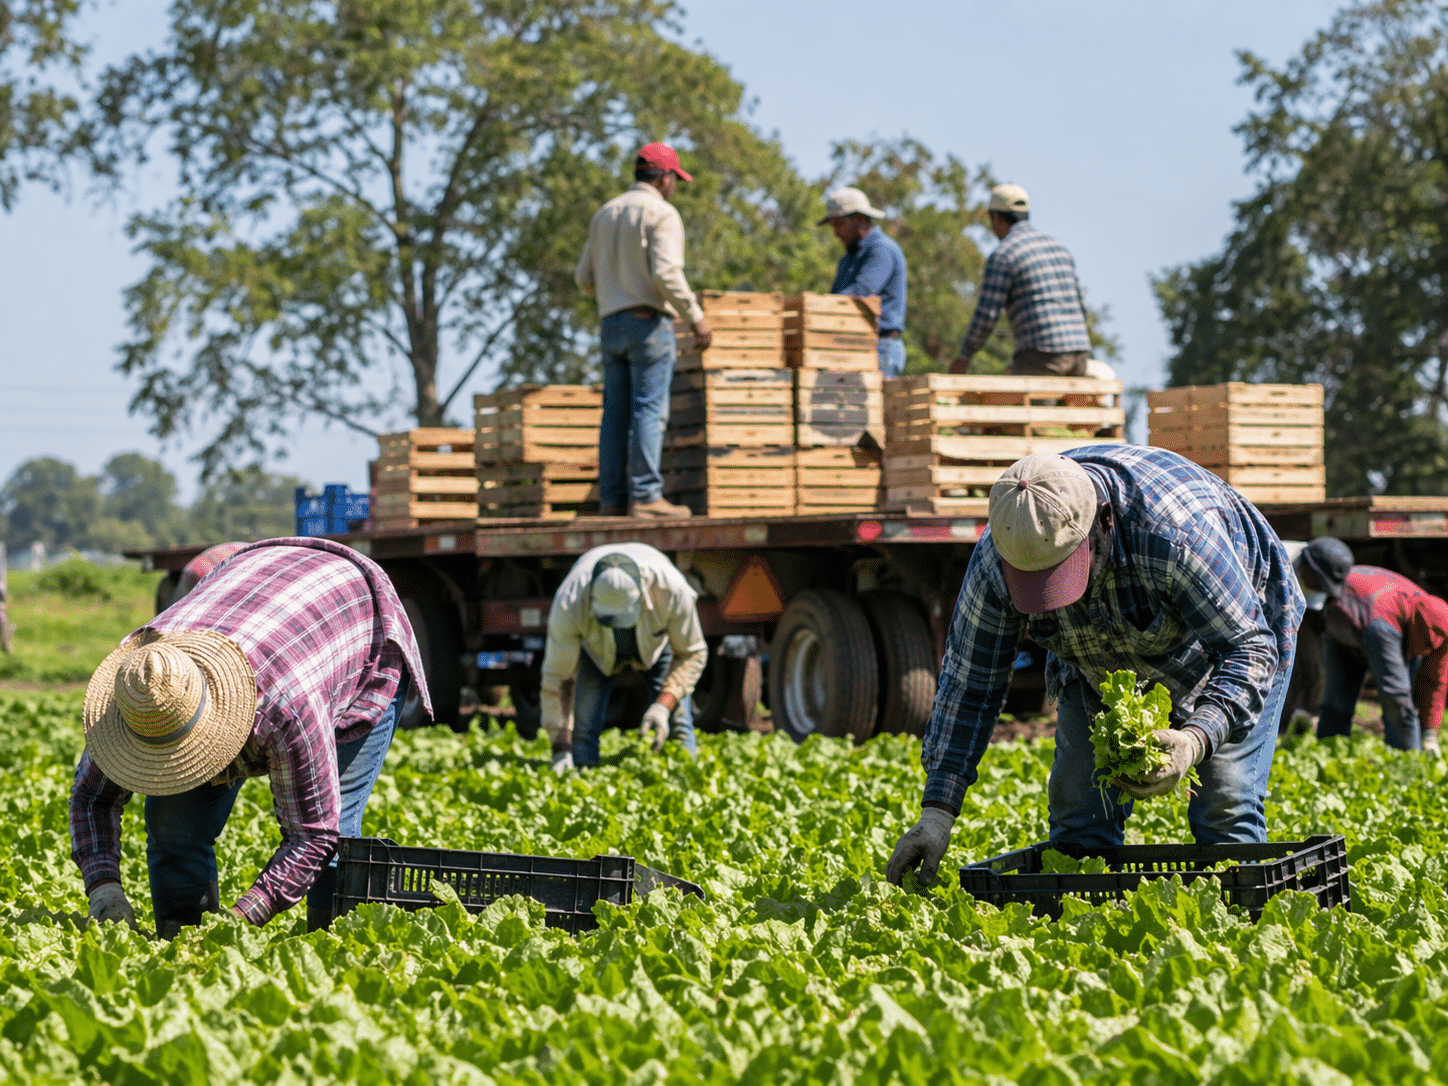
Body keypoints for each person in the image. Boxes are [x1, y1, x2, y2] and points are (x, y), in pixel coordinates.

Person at [887, 447, 1304, 888]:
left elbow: (1248, 650)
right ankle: (1085, 932)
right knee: (1078, 812)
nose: (1059, 595)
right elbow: (971, 686)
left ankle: (1237, 933)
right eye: (1036, 582)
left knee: (1225, 801)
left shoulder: (1174, 534)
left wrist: (1194, 740)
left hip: (1230, 635)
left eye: (1063, 572)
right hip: (1091, 656)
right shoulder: (1002, 553)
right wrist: (936, 812)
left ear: (1103, 522)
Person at [71, 537, 432, 937]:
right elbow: (91, 799)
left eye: (185, 751)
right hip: (253, 589)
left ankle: (330, 948)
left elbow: (313, 835)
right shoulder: (143, 682)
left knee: (338, 831)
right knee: (173, 825)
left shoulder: (285, 707)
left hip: (357, 625)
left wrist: (242, 921)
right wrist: (104, 889)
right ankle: (178, 938)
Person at [575, 142, 708, 518]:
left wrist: (612, 295)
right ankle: (647, 497)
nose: (674, 186)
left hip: (610, 322)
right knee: (649, 409)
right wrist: (695, 316)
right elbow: (666, 272)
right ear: (664, 177)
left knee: (614, 414)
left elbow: (583, 276)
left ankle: (613, 501)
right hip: (647, 323)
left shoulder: (605, 213)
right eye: (675, 179)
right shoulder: (661, 213)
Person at [540, 543, 706, 771]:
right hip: (597, 653)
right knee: (584, 726)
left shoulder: (671, 589)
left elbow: (692, 653)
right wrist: (560, 749)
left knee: (679, 722)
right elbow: (558, 678)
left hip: (656, 648)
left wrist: (663, 705)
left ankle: (687, 775)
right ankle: (581, 775)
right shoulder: (570, 601)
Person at [1299, 536, 1448, 753]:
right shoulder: (1385, 624)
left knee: (1399, 701)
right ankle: (1332, 754)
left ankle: (1405, 763)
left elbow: (1435, 682)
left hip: (1368, 618)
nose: (1425, 652)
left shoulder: (1439, 624)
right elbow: (1395, 695)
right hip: (1352, 626)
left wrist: (1430, 735)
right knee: (1342, 704)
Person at [950, 183, 1093, 377]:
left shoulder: (1004, 254)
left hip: (1043, 353)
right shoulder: (1059, 248)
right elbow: (1082, 305)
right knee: (1068, 407)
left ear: (997, 218)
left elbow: (986, 316)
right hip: (1079, 351)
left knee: (1031, 407)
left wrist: (964, 357)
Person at [819, 187, 909, 378]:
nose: (835, 232)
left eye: (839, 224)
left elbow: (860, 293)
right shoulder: (847, 260)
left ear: (859, 219)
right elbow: (836, 299)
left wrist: (815, 305)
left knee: (876, 407)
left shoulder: (881, 250)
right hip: (852, 346)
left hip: (881, 347)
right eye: (832, 226)